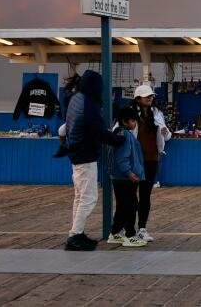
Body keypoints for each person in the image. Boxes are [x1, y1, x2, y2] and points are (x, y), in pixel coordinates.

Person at [63, 70, 124, 251]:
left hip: (76, 156)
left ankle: (76, 233)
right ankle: (74, 236)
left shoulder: (76, 99)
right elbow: (98, 131)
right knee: (89, 198)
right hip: (85, 156)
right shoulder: (88, 104)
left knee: (80, 197)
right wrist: (118, 140)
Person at [131, 84, 171, 241]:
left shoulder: (157, 113)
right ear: (138, 98)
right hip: (134, 159)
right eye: (146, 96)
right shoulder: (131, 114)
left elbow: (167, 135)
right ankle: (127, 228)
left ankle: (142, 227)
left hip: (151, 158)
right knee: (131, 196)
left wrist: (166, 132)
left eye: (151, 96)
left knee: (145, 195)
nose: (150, 98)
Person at [107, 107, 147, 248]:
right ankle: (130, 235)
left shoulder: (119, 134)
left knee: (122, 206)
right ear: (124, 121)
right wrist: (129, 173)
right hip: (126, 178)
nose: (134, 123)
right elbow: (122, 158)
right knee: (131, 206)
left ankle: (115, 232)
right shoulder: (125, 136)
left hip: (119, 177)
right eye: (132, 120)